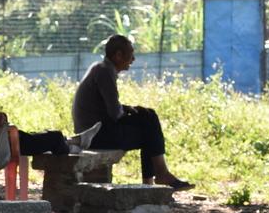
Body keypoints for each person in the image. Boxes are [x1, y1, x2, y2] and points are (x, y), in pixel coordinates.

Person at [72, 34, 194, 190]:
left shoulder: (101, 68)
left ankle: (152, 182)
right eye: (131, 54)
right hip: (94, 136)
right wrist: (128, 111)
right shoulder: (105, 72)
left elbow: (109, 107)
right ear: (118, 55)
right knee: (148, 125)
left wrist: (128, 108)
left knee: (147, 117)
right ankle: (157, 177)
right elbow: (115, 113)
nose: (133, 59)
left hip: (97, 131)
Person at [0, 62, 90, 159]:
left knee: (33, 136)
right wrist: (0, 116)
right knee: (53, 137)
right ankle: (70, 147)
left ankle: (72, 141)